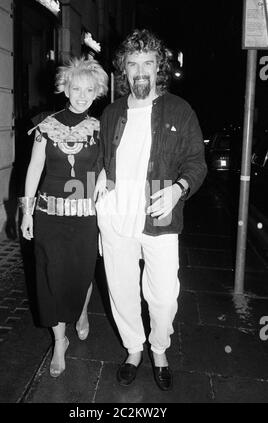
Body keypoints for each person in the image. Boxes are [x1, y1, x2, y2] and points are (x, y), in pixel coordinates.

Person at [94, 29, 207, 390]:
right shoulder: (111, 112)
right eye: (133, 64)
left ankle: (159, 348)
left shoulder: (180, 109)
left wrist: (179, 189)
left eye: (148, 63)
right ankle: (134, 349)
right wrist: (99, 175)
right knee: (121, 290)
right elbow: (103, 158)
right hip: (116, 216)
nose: (140, 70)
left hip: (160, 216)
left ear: (159, 68)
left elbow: (196, 163)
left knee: (162, 296)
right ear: (123, 71)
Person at [20, 57, 108, 378]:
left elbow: (108, 168)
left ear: (96, 91)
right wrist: (26, 211)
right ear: (65, 88)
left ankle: (82, 312)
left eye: (89, 89)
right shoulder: (46, 124)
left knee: (83, 273)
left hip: (86, 215)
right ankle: (60, 342)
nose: (82, 94)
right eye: (76, 87)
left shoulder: (101, 128)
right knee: (49, 277)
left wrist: (104, 179)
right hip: (49, 215)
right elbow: (34, 169)